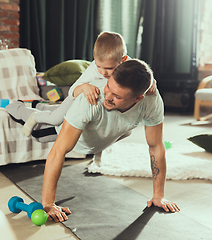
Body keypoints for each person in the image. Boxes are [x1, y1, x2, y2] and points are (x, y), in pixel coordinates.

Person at [34, 59, 180, 222]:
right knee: (33, 123)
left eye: (116, 96)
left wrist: (159, 195)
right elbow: (58, 150)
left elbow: (156, 146)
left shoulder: (150, 101)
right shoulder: (92, 97)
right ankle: (25, 106)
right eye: (108, 87)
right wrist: (48, 203)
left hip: (95, 137)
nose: (107, 97)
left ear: (138, 98)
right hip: (56, 129)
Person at [18, 31, 157, 138]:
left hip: (95, 103)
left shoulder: (129, 65)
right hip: (76, 96)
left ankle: (98, 150)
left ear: (123, 60)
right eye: (99, 66)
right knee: (55, 119)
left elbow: (143, 75)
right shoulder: (92, 70)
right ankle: (34, 117)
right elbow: (72, 90)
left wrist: (151, 83)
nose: (103, 72)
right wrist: (85, 87)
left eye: (109, 69)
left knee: (122, 131)